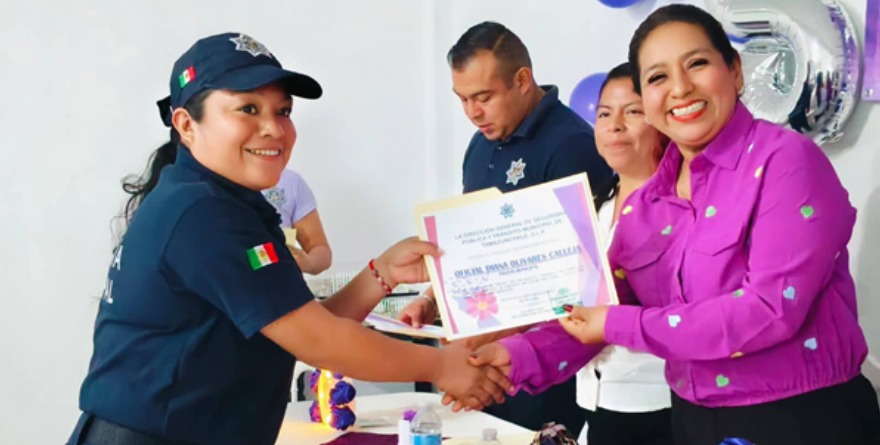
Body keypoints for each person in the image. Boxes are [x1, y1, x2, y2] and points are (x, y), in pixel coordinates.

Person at [67, 32, 510, 445]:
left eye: (282, 111)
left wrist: (382, 273)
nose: (273, 129)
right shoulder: (202, 213)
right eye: (247, 109)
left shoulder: (225, 203)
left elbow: (301, 325)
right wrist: (441, 366)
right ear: (186, 124)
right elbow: (319, 341)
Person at [465, 5, 880, 445]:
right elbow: (598, 307)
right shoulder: (645, 206)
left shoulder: (785, 161)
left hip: (798, 421)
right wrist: (515, 356)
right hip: (690, 422)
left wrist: (618, 325)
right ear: (646, 97)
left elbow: (770, 309)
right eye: (658, 77)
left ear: (735, 72)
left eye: (697, 64)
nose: (680, 88)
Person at [398, 21, 612, 435]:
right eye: (462, 99)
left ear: (522, 80)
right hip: (482, 348)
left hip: (542, 361)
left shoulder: (571, 146)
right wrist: (433, 299)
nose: (473, 112)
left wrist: (484, 338)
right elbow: (469, 244)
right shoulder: (480, 144)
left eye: (484, 97)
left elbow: (576, 277)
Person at [575, 62, 673, 445]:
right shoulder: (591, 206)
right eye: (604, 114)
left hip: (656, 401)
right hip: (595, 396)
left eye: (632, 112)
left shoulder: (680, 208)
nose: (614, 126)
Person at [262, 169, 332, 274]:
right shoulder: (230, 188)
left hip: (285, 283)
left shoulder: (290, 181)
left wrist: (308, 262)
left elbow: (321, 250)